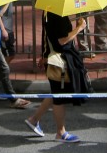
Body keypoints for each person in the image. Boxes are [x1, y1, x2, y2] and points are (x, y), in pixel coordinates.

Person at [24, 12, 89, 143]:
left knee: (56, 92)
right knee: (59, 96)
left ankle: (34, 119)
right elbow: (62, 40)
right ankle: (60, 133)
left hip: (54, 59)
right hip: (60, 61)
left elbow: (47, 36)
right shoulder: (56, 15)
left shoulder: (49, 12)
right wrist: (79, 28)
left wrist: (45, 55)